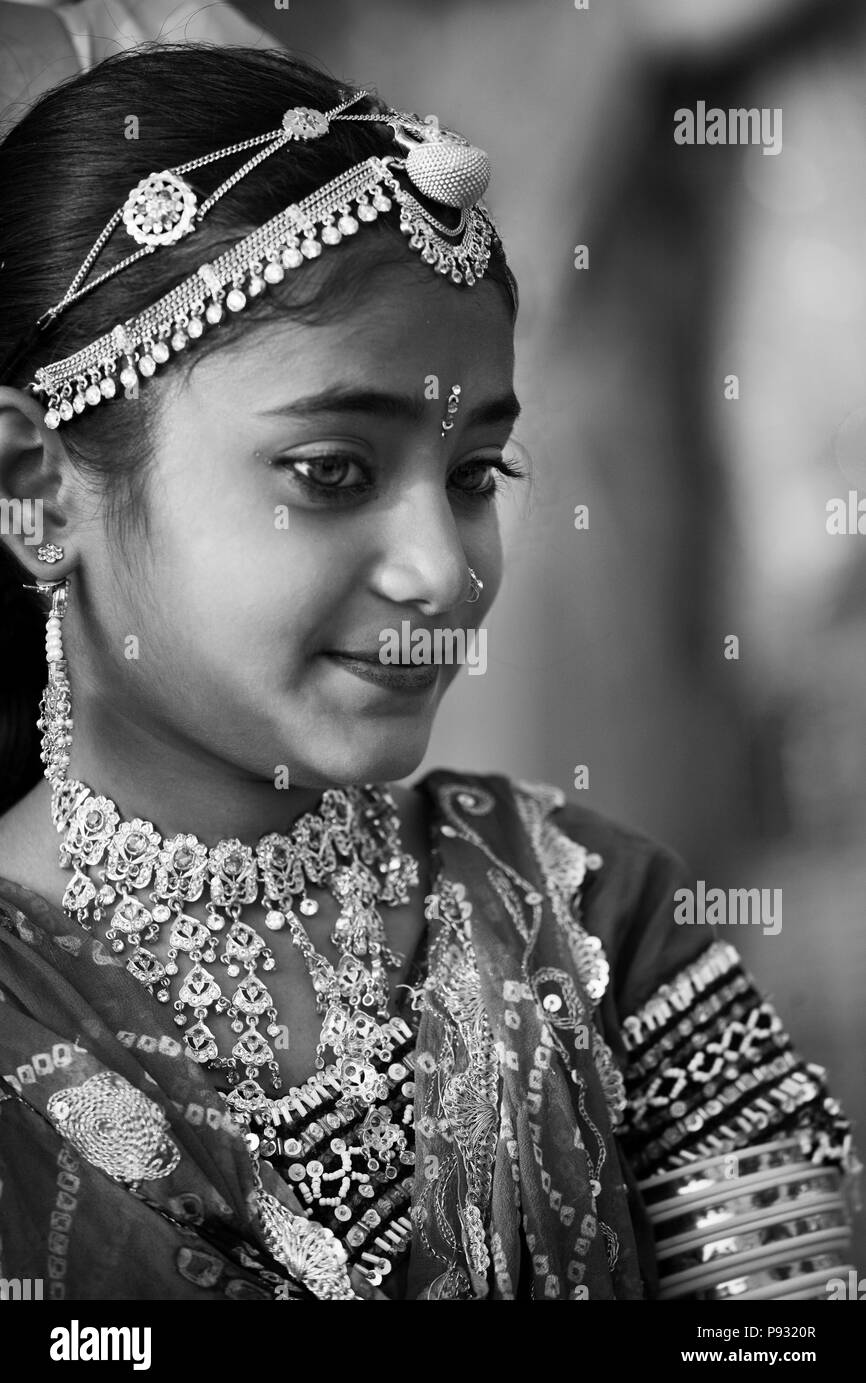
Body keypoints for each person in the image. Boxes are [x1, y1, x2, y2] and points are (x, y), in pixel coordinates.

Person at [0, 43, 857, 1302]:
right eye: (332, 470)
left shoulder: (593, 917)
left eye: (474, 476)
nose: (439, 570)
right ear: (35, 489)